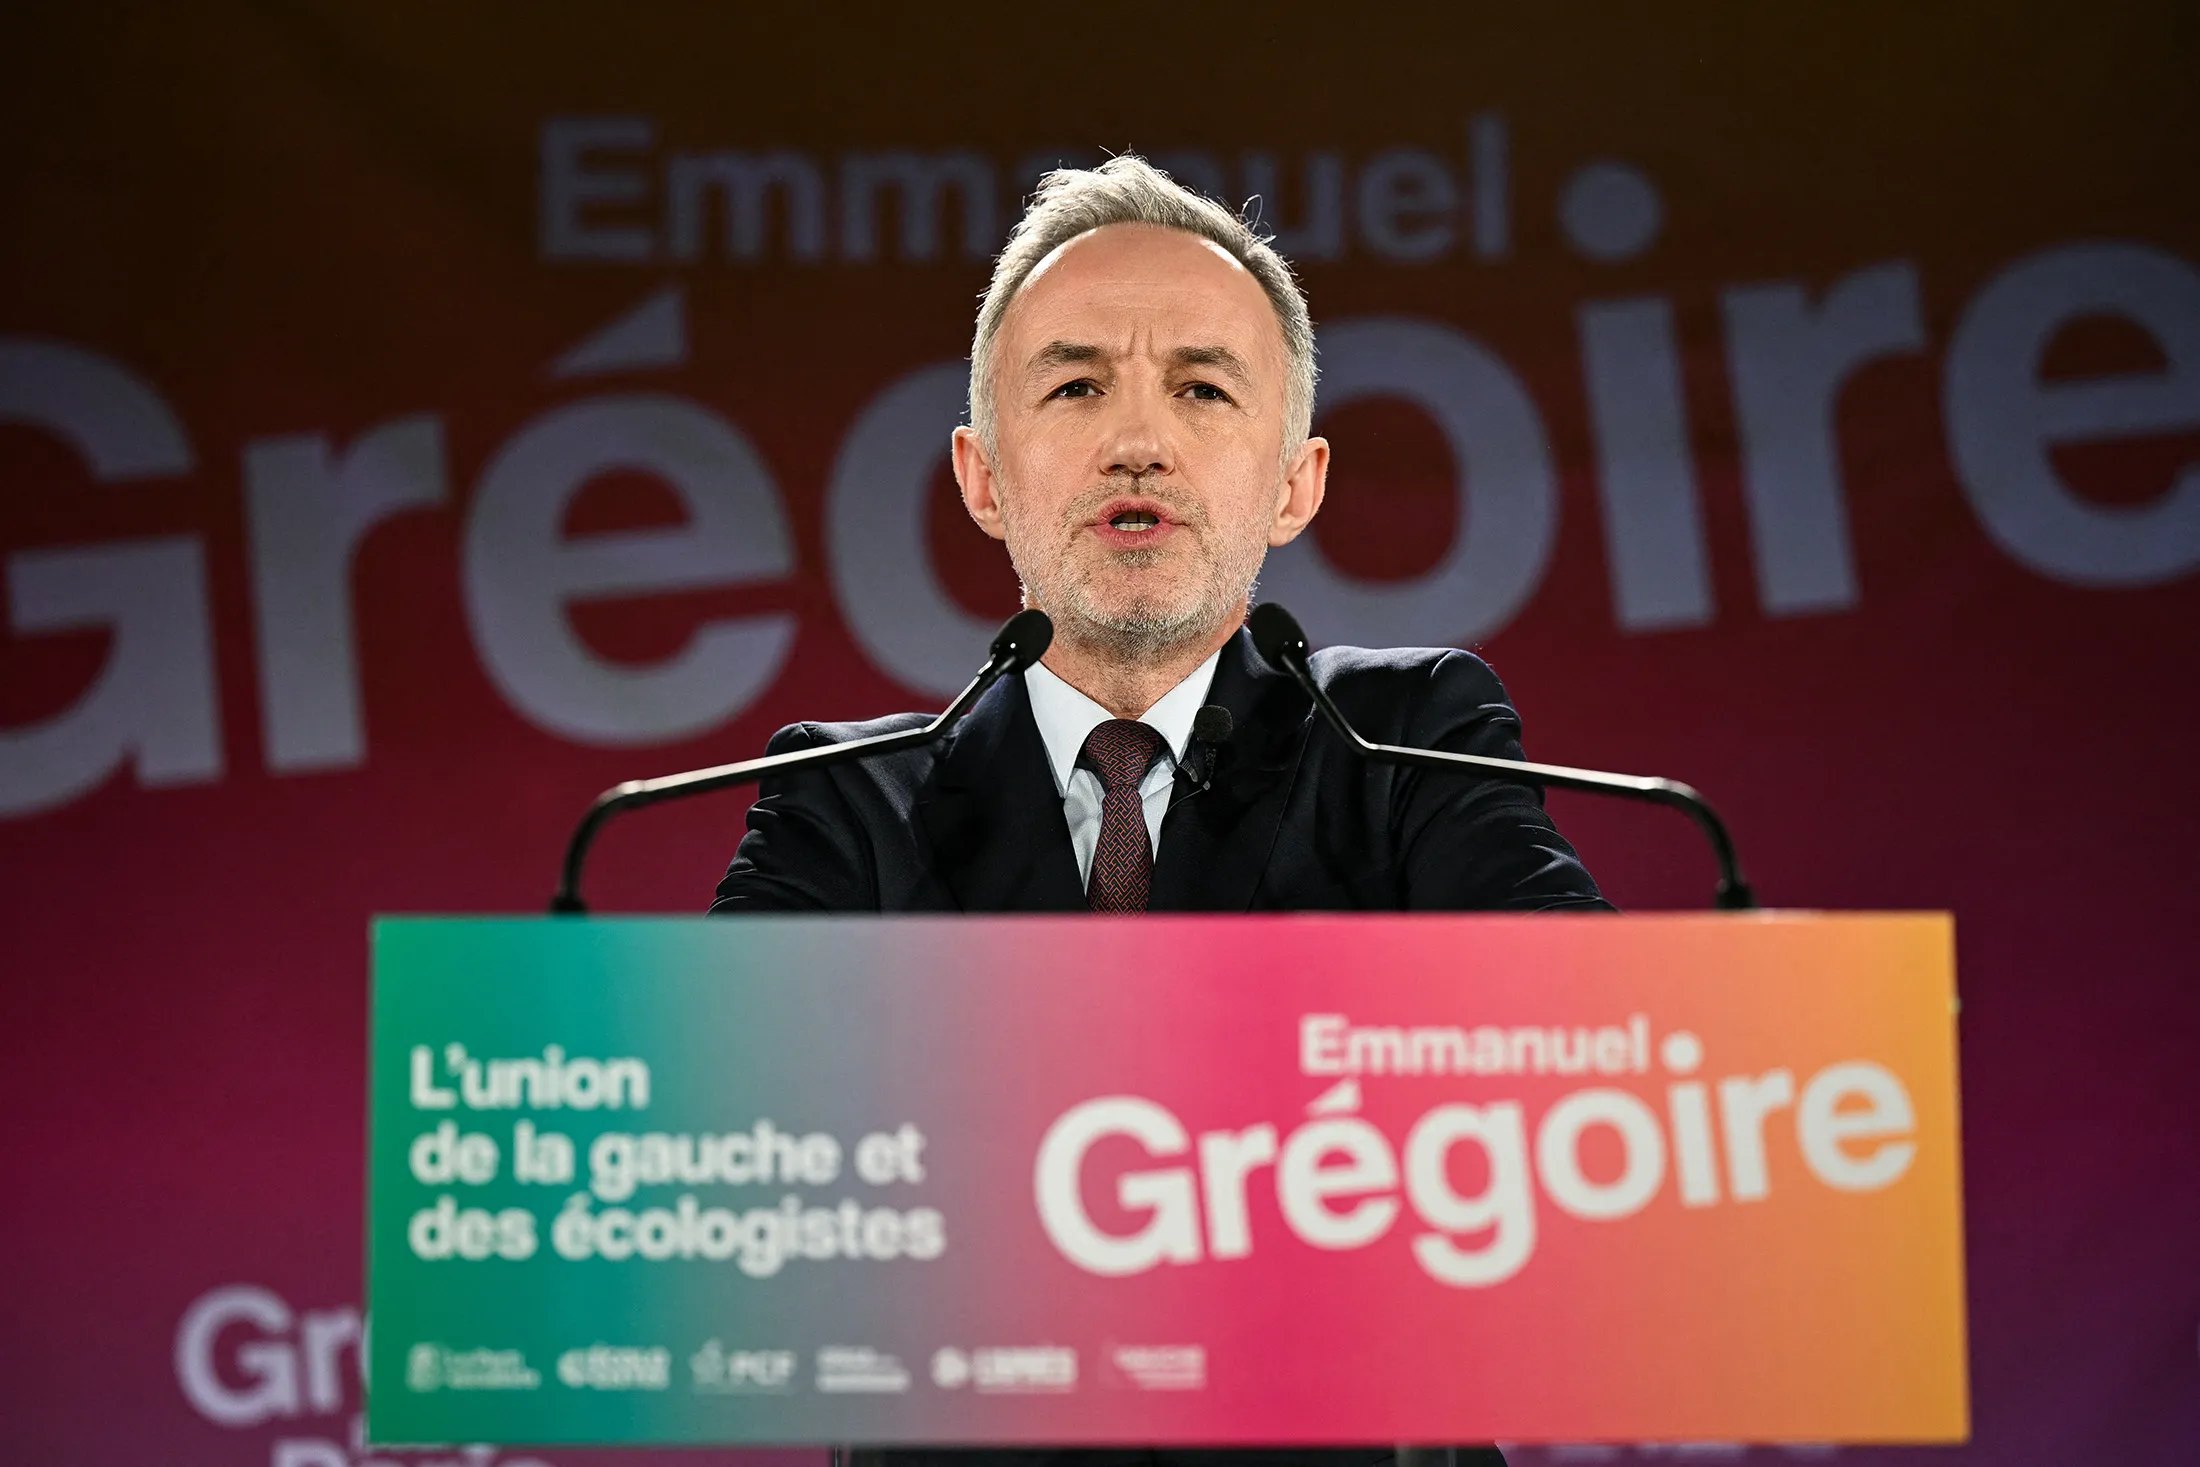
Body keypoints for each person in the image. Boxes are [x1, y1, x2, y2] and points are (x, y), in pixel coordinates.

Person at [715, 156, 1606, 1467]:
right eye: (1077, 385)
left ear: (1295, 482)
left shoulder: (1407, 738)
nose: (1140, 438)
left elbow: (1582, 1053)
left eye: (1201, 387)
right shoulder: (844, 798)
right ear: (981, 476)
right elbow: (724, 1153)